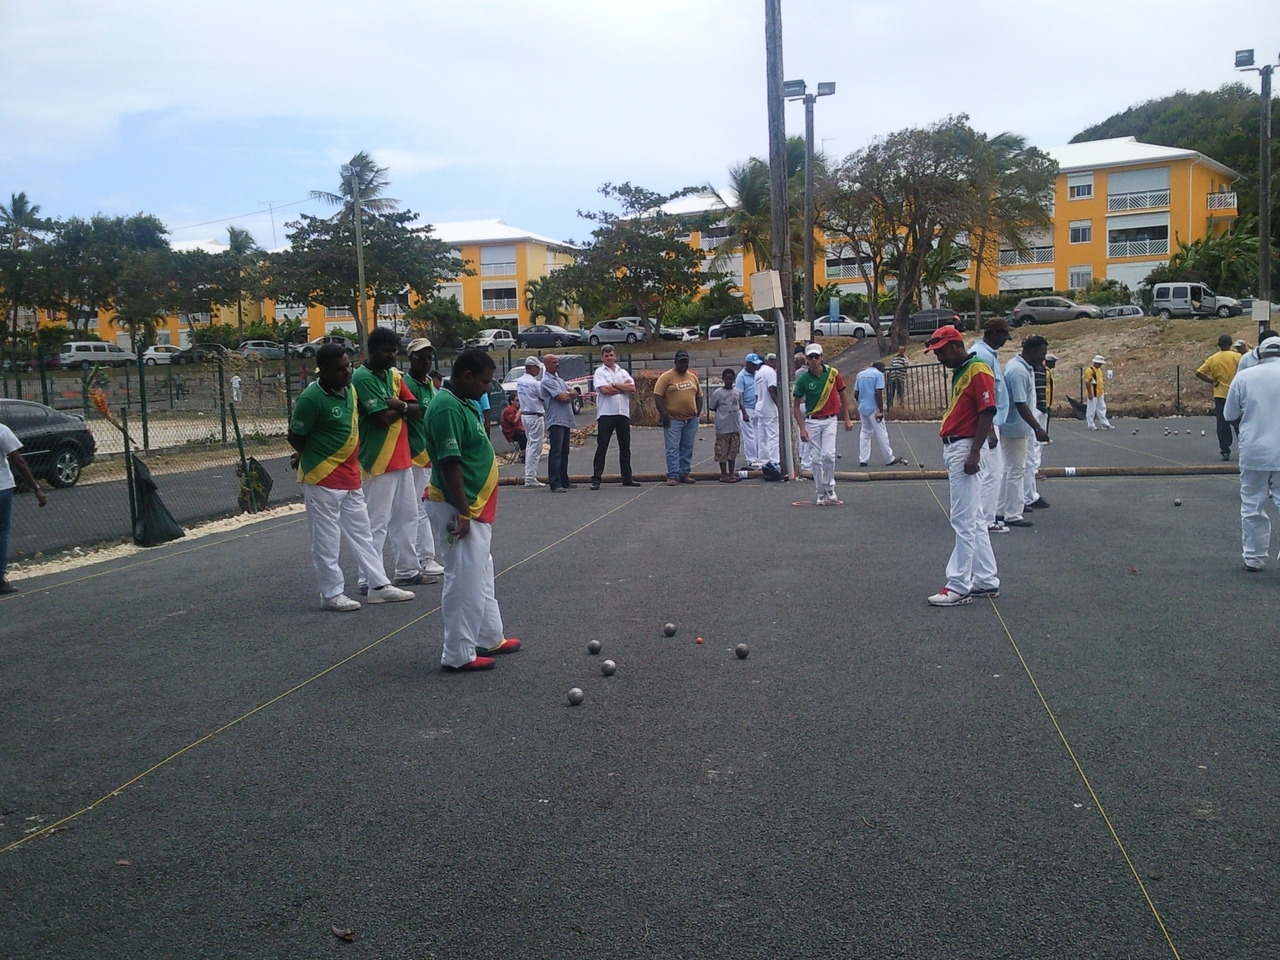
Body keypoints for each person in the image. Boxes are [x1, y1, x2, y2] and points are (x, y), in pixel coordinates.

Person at [286, 344, 414, 612]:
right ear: (323, 371)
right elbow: (296, 436)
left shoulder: (351, 389)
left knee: (363, 532)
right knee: (326, 538)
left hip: (350, 474)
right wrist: (305, 453)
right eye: (340, 369)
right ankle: (331, 594)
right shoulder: (311, 399)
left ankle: (378, 586)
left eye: (348, 366)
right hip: (322, 477)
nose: (347, 372)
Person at [422, 348, 521, 671]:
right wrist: (463, 512)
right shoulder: (446, 408)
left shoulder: (462, 401)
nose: (486, 388)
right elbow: (450, 464)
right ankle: (457, 653)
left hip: (474, 504)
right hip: (458, 505)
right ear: (466, 376)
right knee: (463, 576)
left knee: (480, 571)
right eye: (484, 381)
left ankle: (489, 635)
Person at [923, 325, 999, 606]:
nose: (939, 358)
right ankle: (986, 578)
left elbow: (987, 409)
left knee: (963, 518)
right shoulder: (964, 369)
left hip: (965, 445)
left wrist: (975, 452)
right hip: (961, 444)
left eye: (941, 352)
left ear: (956, 345)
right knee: (974, 517)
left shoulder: (976, 369)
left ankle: (958, 584)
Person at [352, 326, 424, 591]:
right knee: (376, 521)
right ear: (371, 351)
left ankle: (407, 570)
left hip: (402, 457)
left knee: (408, 516)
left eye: (394, 351)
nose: (392, 356)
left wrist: (400, 406)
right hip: (378, 459)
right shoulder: (362, 377)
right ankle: (369, 578)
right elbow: (381, 418)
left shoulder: (393, 375)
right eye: (386, 351)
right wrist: (402, 407)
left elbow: (418, 409)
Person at [1223, 337, 1280, 571]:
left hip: (1254, 450)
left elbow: (1229, 414)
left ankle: (1253, 558)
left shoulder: (1244, 377)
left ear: (1259, 354)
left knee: (1252, 504)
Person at [403, 337, 445, 580]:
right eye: (422, 357)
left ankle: (425, 556)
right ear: (411, 359)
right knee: (418, 508)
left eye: (430, 357)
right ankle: (425, 557)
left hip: (429, 453)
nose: (427, 362)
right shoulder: (407, 383)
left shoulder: (429, 382)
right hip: (414, 454)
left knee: (425, 507)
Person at [998, 335, 1051, 529]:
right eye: (1042, 353)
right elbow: (1020, 403)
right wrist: (1037, 428)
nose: (1043, 358)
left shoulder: (1021, 367)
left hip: (1018, 426)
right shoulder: (1018, 371)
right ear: (1031, 350)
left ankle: (1004, 508)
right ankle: (1011, 513)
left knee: (1012, 469)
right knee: (1015, 470)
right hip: (1015, 427)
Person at [793, 343, 855, 504]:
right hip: (812, 421)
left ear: (821, 357)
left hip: (830, 420)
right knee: (815, 459)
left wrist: (847, 418)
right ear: (806, 360)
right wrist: (802, 429)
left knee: (828, 456)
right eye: (810, 357)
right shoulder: (803, 379)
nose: (813, 360)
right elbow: (796, 405)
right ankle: (820, 492)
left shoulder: (833, 374)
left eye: (816, 357)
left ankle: (829, 487)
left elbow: (843, 396)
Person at [972, 318, 1012, 534]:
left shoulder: (985, 353)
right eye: (1004, 335)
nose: (1007, 340)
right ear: (994, 332)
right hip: (988, 421)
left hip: (991, 420)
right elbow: (981, 395)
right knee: (992, 473)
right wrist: (989, 430)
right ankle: (986, 520)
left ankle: (982, 517)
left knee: (991, 472)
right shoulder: (982, 355)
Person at [0, 422, 47, 594]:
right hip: (2, 487)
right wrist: (36, 488)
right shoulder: (2, 430)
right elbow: (18, 461)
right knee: (2, 533)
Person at [590, 345, 641, 489]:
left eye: (611, 355)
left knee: (625, 446)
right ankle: (596, 478)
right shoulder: (599, 372)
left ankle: (627, 477)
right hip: (606, 413)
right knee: (602, 446)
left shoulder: (622, 371)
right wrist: (621, 388)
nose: (609, 358)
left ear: (615, 356)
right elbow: (604, 390)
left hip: (622, 413)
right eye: (606, 356)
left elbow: (632, 387)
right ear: (602, 358)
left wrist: (615, 385)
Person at [653, 349, 703, 485]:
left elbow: (699, 396)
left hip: (690, 419)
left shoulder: (692, 377)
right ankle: (673, 475)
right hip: (673, 420)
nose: (683, 365)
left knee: (687, 447)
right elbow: (657, 396)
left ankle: (684, 473)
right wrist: (665, 415)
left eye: (685, 362)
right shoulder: (666, 377)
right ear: (675, 362)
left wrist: (697, 413)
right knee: (672, 448)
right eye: (681, 362)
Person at [852, 359, 907, 469]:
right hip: (874, 407)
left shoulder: (860, 374)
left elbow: (856, 393)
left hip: (863, 407)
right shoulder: (878, 375)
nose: (883, 371)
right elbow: (878, 392)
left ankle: (863, 459)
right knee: (882, 433)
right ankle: (889, 458)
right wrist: (880, 410)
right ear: (880, 368)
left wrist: (861, 403)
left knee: (865, 432)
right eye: (883, 369)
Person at [1196, 333, 1242, 462]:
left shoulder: (1212, 359)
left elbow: (1199, 372)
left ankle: (1225, 451)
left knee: (1222, 424)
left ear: (1219, 345)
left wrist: (1212, 381)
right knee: (1239, 424)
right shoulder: (1237, 357)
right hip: (1235, 394)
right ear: (1231, 344)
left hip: (1220, 395)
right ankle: (1244, 449)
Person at [539, 354, 576, 492]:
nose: (557, 364)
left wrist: (569, 394)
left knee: (564, 451)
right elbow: (563, 397)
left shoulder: (559, 380)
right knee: (556, 452)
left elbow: (573, 392)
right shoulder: (546, 381)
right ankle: (555, 483)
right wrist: (568, 395)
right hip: (555, 420)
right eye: (554, 362)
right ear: (547, 365)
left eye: (557, 362)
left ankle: (564, 480)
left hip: (565, 419)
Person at [1023, 352, 1053, 511]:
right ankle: (1027, 495)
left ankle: (1028, 494)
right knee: (1030, 452)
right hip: (1035, 410)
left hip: (1041, 408)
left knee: (1035, 449)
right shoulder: (1028, 370)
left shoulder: (1042, 370)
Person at [708, 367, 744, 482]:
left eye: (731, 379)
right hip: (723, 426)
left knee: (733, 451)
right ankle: (724, 474)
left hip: (735, 426)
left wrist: (745, 414)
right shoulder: (718, 393)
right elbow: (712, 407)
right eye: (727, 379)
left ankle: (732, 473)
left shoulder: (737, 392)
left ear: (734, 379)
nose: (729, 381)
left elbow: (740, 405)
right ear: (723, 379)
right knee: (722, 451)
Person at [514, 356, 545, 487]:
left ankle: (530, 476)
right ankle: (530, 477)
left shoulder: (520, 381)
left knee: (530, 444)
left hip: (525, 415)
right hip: (535, 416)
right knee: (535, 447)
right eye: (537, 367)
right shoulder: (534, 383)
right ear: (531, 368)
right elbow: (543, 397)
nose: (538, 370)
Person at [752, 351, 781, 468]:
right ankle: (775, 461)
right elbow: (772, 390)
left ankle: (764, 462)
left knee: (762, 437)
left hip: (760, 407)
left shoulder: (758, 373)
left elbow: (756, 394)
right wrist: (780, 406)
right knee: (773, 436)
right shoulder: (770, 372)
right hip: (769, 408)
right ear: (772, 361)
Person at [736, 356, 759, 467]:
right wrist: (744, 412)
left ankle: (758, 456)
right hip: (747, 409)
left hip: (756, 408)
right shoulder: (741, 376)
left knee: (758, 434)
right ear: (748, 364)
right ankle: (751, 458)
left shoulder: (756, 374)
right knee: (749, 436)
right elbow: (740, 396)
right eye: (754, 364)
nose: (756, 366)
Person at [1084, 355, 1113, 430]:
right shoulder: (1089, 370)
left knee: (1102, 408)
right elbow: (1087, 382)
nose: (1100, 365)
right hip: (1093, 393)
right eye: (1099, 363)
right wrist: (1090, 393)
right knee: (1091, 409)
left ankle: (1105, 423)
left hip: (1100, 392)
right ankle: (1090, 425)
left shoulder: (1099, 370)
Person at [886, 345, 908, 409]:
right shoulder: (894, 358)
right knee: (890, 393)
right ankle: (890, 407)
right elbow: (891, 366)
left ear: (904, 351)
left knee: (900, 393)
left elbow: (906, 366)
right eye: (899, 350)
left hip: (900, 378)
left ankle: (900, 407)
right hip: (892, 377)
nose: (900, 351)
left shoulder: (905, 358)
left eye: (902, 350)